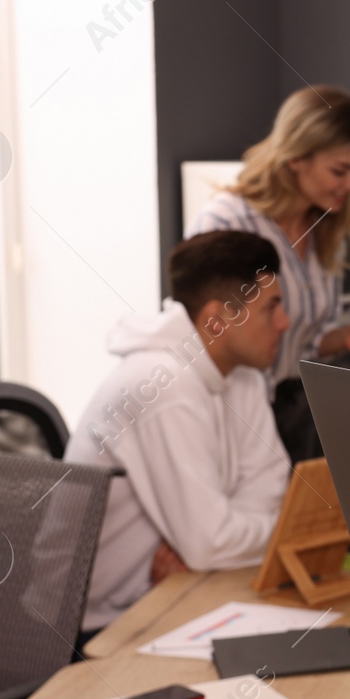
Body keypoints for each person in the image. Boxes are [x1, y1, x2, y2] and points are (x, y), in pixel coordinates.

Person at [68, 231, 292, 635]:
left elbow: (268, 485)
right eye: (271, 308)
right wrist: (279, 533)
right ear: (216, 320)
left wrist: (219, 541)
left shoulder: (242, 374)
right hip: (96, 624)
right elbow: (211, 543)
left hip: (186, 588)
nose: (284, 322)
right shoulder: (162, 384)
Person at [189, 85, 350, 462]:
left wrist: (343, 337)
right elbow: (208, 341)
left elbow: (299, 341)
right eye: (340, 170)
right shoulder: (228, 223)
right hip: (235, 427)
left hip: (291, 424)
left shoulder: (324, 230)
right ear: (297, 156)